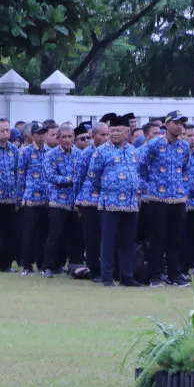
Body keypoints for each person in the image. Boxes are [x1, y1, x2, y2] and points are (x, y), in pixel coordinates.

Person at [136, 111, 192, 287]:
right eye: (176, 122)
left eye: (182, 123)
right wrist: (146, 188)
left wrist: (183, 190)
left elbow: (185, 169)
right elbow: (141, 167)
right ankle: (155, 275)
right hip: (157, 198)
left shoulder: (184, 146)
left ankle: (174, 274)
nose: (179, 126)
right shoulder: (154, 144)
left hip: (177, 199)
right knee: (157, 238)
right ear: (166, 125)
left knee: (175, 239)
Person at [91, 113, 141, 287]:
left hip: (130, 204)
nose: (114, 134)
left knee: (127, 242)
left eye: (118, 130)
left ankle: (126, 276)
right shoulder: (101, 151)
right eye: (111, 131)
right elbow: (94, 177)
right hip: (110, 203)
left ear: (127, 132)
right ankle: (107, 277)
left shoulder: (133, 151)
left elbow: (137, 174)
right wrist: (108, 189)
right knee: (108, 242)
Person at [43, 125, 78, 278]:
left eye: (70, 136)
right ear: (58, 138)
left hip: (75, 201)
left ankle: (74, 265)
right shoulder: (51, 155)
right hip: (57, 200)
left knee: (74, 236)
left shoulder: (79, 154)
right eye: (64, 137)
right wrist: (69, 180)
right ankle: (49, 266)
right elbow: (51, 176)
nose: (67, 139)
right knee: (54, 235)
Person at [76, 121, 110, 282]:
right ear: (93, 136)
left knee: (106, 237)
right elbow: (79, 178)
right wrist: (78, 200)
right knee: (92, 237)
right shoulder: (86, 154)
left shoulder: (111, 152)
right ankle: (94, 270)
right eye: (102, 135)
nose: (105, 138)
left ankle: (107, 269)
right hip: (89, 201)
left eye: (107, 134)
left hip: (107, 201)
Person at [0, 118, 20, 273]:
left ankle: (5, 264)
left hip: (9, 198)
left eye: (8, 130)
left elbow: (16, 172)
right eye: (2, 130)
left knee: (9, 232)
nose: (6, 133)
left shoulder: (14, 150)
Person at [17, 125, 49, 275]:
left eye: (44, 133)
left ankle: (42, 264)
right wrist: (19, 198)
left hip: (46, 199)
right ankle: (27, 265)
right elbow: (21, 176)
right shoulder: (25, 152)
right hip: (30, 198)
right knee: (28, 233)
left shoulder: (49, 152)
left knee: (43, 234)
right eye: (39, 134)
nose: (42, 136)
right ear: (32, 135)